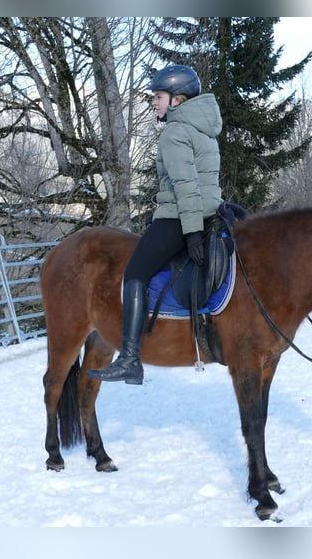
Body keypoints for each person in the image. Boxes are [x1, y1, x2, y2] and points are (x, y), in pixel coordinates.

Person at [86, 64, 224, 385]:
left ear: (177, 100)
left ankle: (131, 359)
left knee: (135, 273)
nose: (154, 102)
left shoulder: (176, 132)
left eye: (158, 97)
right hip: (208, 214)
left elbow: (186, 186)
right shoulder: (204, 127)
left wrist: (189, 232)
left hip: (180, 218)